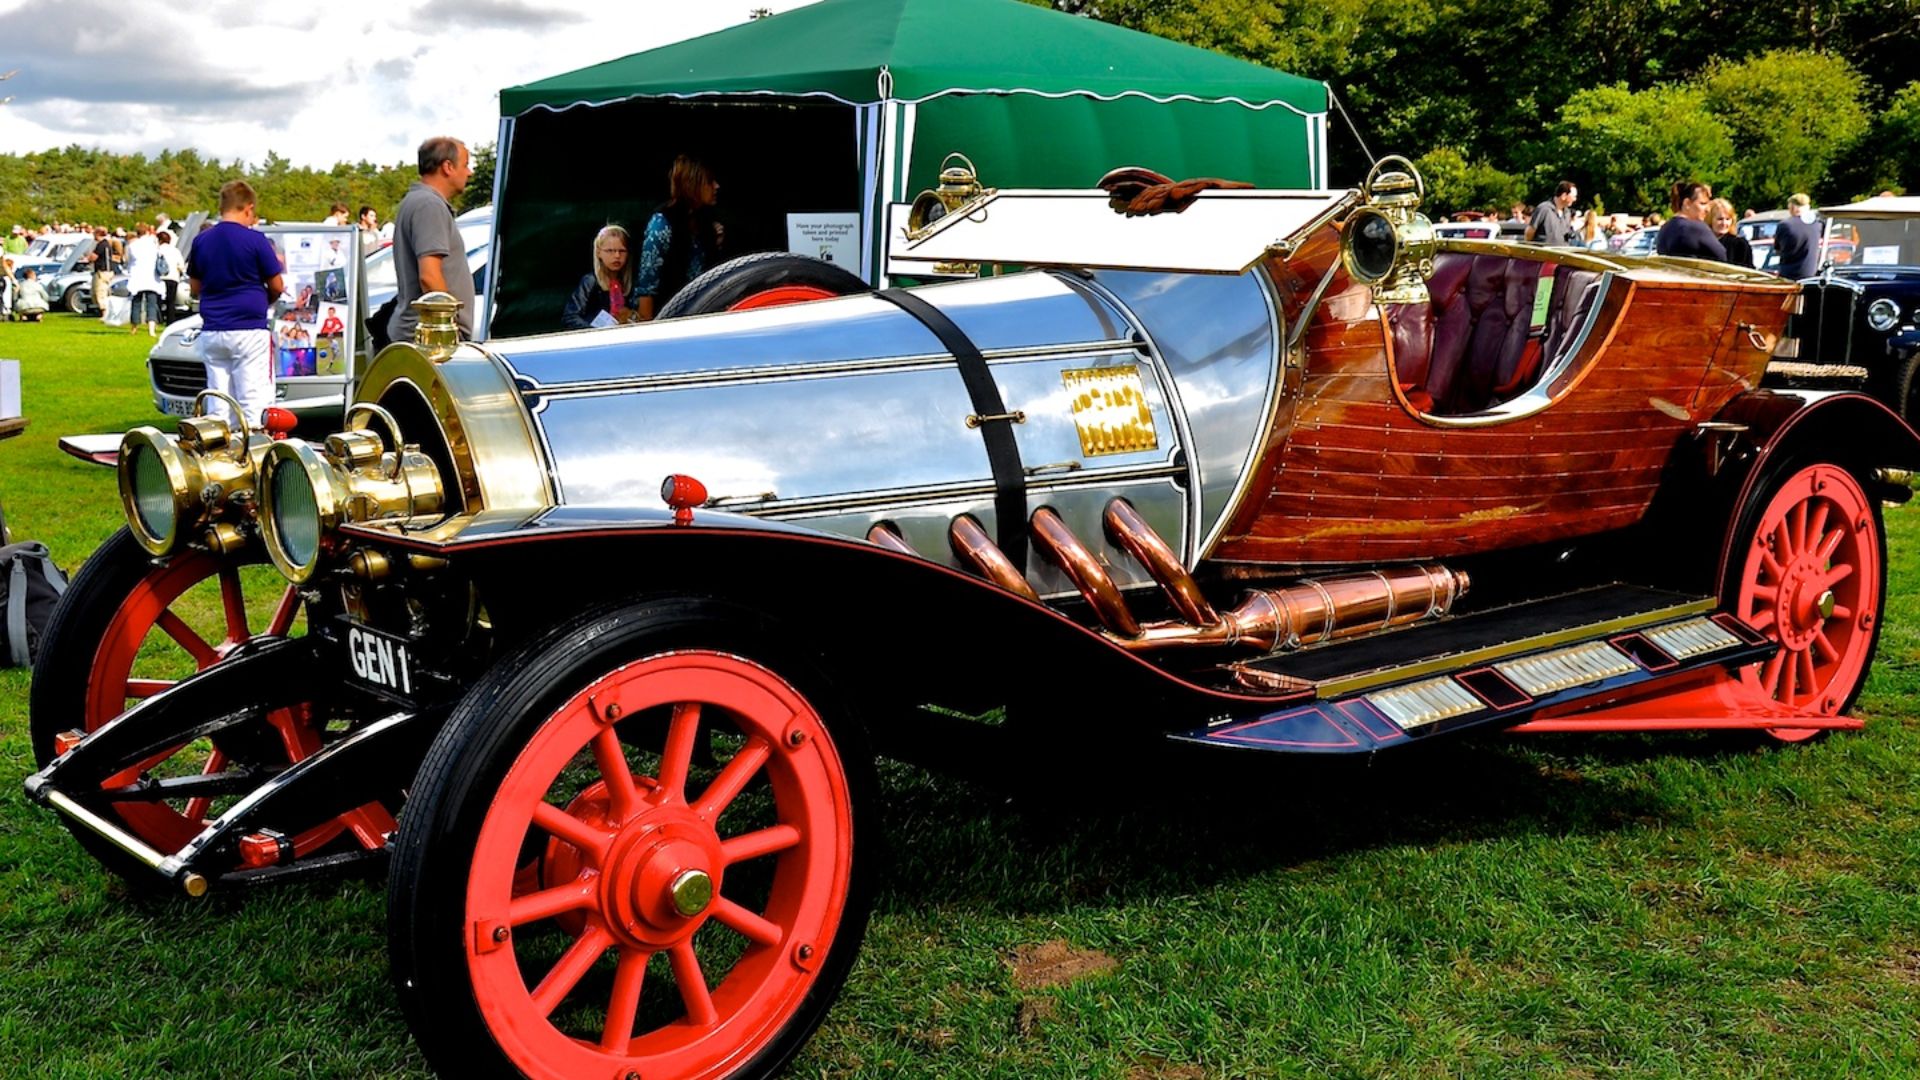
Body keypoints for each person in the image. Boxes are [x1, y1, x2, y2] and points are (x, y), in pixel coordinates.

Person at [188, 179, 286, 428]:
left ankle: (217, 454)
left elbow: (196, 287)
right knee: (252, 399)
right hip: (249, 327)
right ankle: (254, 451)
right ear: (248, 208)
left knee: (218, 400)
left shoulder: (201, 241)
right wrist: (266, 301)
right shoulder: (255, 240)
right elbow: (277, 286)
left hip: (213, 328)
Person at [387, 135, 474, 344]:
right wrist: (447, 329)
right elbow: (429, 276)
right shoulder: (429, 205)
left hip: (420, 337)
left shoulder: (418, 201)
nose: (469, 173)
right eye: (466, 165)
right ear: (447, 167)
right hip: (430, 341)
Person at [634, 154, 724, 320]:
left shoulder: (706, 222)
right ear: (693, 185)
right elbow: (647, 283)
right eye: (709, 182)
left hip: (703, 313)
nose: (716, 186)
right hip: (668, 317)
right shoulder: (662, 222)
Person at [561, 225, 638, 329]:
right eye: (610, 251)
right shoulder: (590, 281)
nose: (617, 256)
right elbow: (570, 317)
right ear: (598, 252)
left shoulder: (630, 284)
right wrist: (595, 331)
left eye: (622, 251)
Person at [1654, 181, 1726, 261]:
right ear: (1687, 203)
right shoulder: (1696, 228)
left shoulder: (1665, 228)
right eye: (1702, 204)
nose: (1708, 209)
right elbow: (1721, 256)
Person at [124, 223, 163, 336]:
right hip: (151, 277)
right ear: (147, 232)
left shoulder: (133, 245)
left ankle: (134, 328)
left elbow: (129, 261)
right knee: (152, 303)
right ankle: (151, 330)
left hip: (137, 276)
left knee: (136, 302)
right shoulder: (153, 245)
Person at [1773, 193, 1820, 280]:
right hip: (1810, 275)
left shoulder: (1785, 225)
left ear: (1792, 207)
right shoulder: (1817, 225)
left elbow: (1778, 249)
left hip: (1788, 275)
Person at [1525, 181, 1580, 246]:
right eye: (1573, 196)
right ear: (1564, 196)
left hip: (1562, 253)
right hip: (1545, 253)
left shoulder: (1567, 213)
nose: (1575, 199)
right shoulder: (1544, 209)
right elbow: (1529, 232)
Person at [1709, 198, 1753, 268]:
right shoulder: (1702, 243)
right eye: (1720, 219)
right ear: (1710, 219)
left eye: (1728, 219)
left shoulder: (1740, 245)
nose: (1724, 223)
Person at [86, 226, 115, 320]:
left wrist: (86, 259)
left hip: (103, 272)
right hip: (102, 271)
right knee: (95, 292)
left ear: (98, 234)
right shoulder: (105, 244)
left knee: (100, 292)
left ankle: (105, 314)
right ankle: (102, 312)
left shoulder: (101, 244)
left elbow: (93, 257)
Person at [155, 229, 185, 319]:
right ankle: (170, 319)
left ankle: (158, 318)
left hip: (159, 278)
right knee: (171, 301)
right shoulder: (175, 251)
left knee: (158, 300)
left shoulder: (157, 250)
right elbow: (181, 265)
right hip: (173, 277)